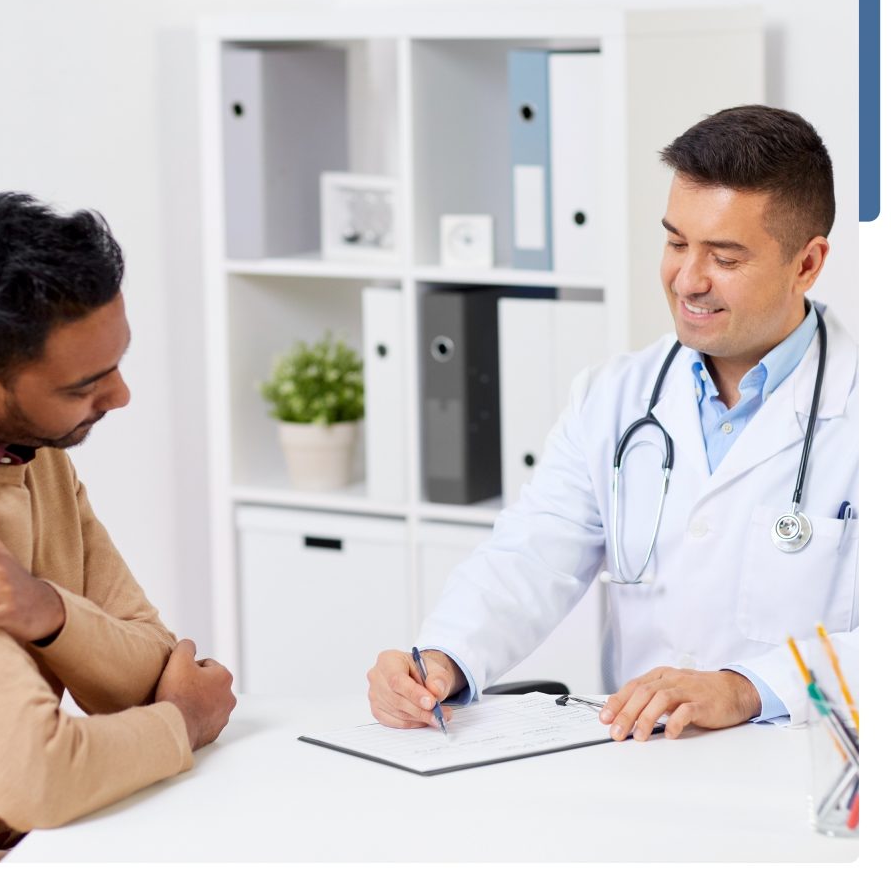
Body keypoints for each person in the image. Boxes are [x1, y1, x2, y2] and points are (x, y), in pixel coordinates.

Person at [367, 105, 858, 743]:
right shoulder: (615, 397)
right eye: (677, 242)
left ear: (807, 264)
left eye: (725, 258)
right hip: (642, 758)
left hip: (811, 766)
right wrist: (441, 660)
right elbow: (532, 556)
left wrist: (744, 688)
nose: (687, 278)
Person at [0, 193, 236, 862]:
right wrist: (185, 721)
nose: (121, 397)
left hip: (47, 835)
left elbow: (149, 667)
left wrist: (48, 610)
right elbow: (39, 775)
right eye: (86, 385)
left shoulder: (27, 445)